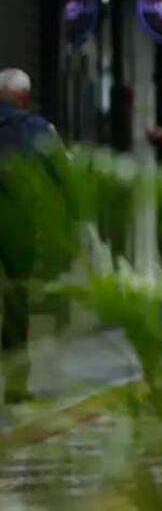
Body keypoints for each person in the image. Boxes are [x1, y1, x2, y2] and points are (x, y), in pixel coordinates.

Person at [0, 68, 59, 404]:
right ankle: (16, 383)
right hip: (20, 228)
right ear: (23, 96)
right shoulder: (39, 129)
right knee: (19, 300)